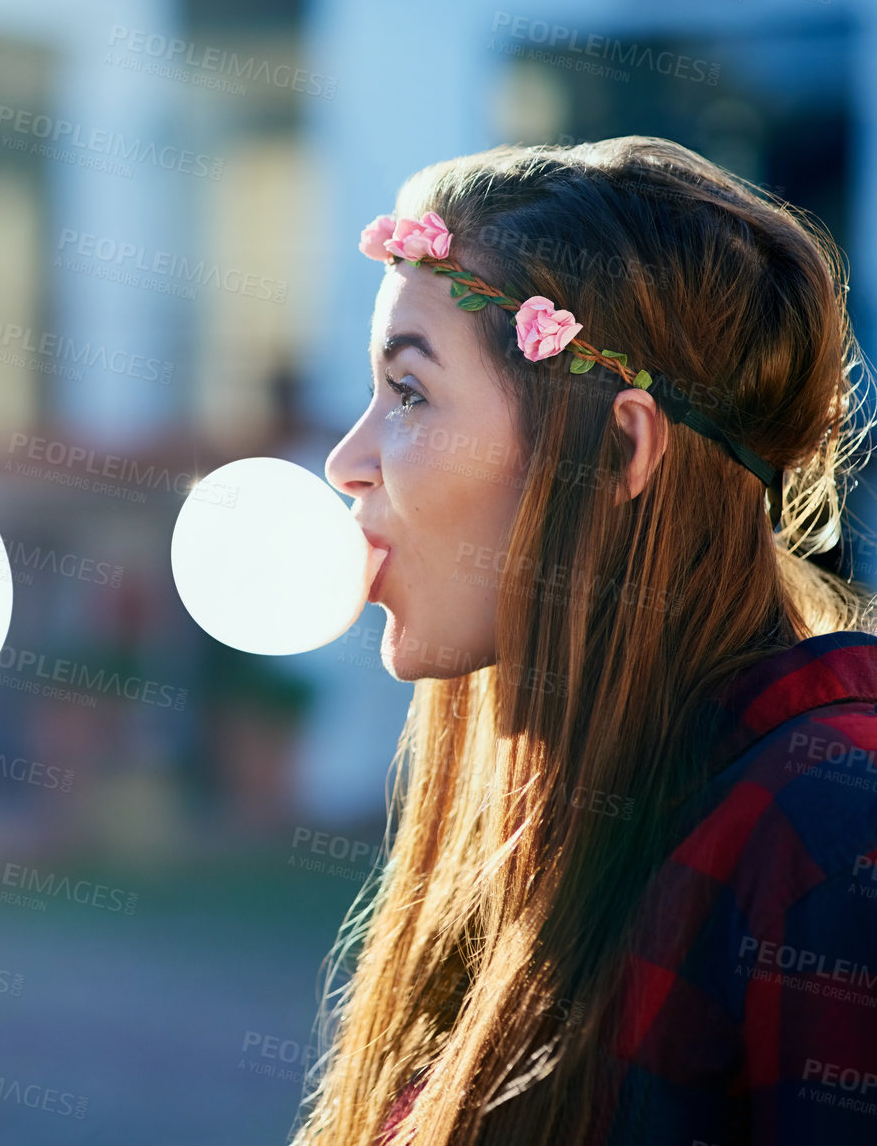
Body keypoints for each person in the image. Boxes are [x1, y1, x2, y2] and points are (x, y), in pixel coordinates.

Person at [302, 136, 877, 1145]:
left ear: (617, 449)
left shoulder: (831, 837)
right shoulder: (551, 819)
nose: (348, 462)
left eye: (410, 393)